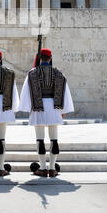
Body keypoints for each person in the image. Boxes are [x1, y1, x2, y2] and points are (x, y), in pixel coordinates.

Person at [19, 48, 74, 178]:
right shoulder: (59, 73)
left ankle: (43, 168)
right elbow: (65, 93)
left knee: (40, 139)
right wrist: (63, 110)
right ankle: (53, 168)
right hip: (54, 108)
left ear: (39, 58)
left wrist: (28, 108)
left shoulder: (32, 73)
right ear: (50, 58)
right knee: (54, 139)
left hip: (39, 108)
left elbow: (26, 93)